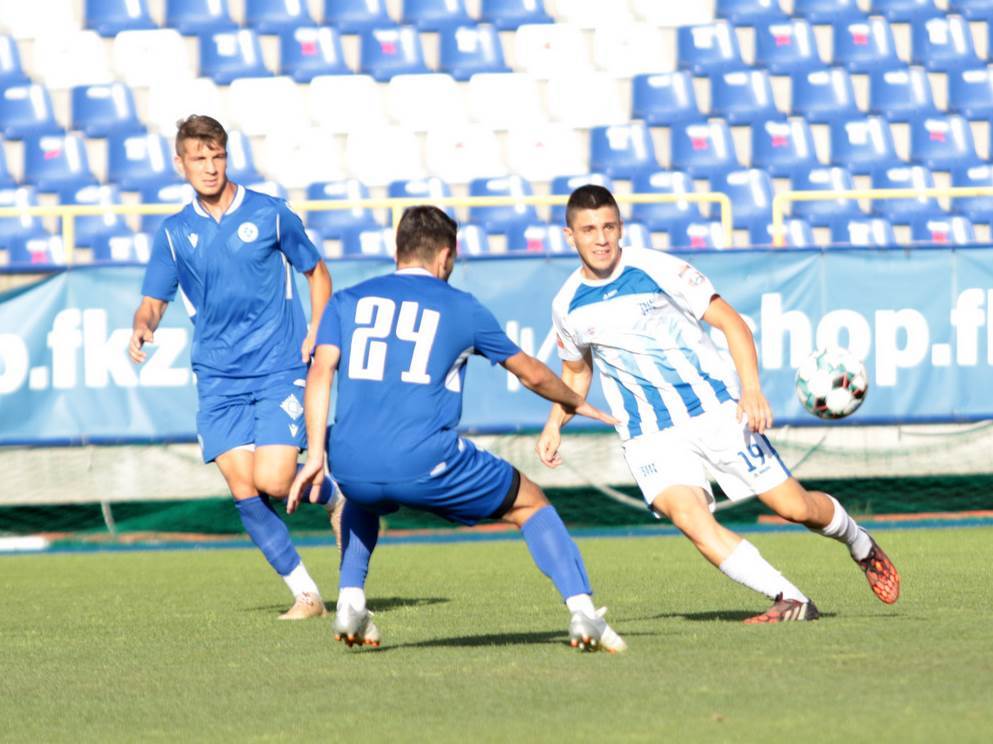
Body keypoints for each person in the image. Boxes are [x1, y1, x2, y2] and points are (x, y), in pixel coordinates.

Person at [537, 184, 900, 623]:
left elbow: (731, 323)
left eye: (609, 227)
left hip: (715, 411)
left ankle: (859, 542)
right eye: (589, 229)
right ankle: (791, 599)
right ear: (569, 236)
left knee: (794, 508)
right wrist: (555, 422)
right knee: (690, 520)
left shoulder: (655, 268)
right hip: (648, 434)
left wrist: (751, 389)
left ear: (620, 227)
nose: (601, 238)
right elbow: (577, 372)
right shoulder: (567, 304)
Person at [289, 206, 626, 652]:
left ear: (398, 251)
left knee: (362, 497)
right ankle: (583, 614)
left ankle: (351, 600)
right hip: (427, 460)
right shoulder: (461, 306)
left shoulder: (346, 300)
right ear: (446, 256)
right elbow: (529, 373)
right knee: (530, 502)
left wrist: (316, 456)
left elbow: (320, 373)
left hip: (348, 461)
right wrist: (575, 401)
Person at [128, 115, 341, 620]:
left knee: (272, 480)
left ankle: (335, 496)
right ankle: (306, 595)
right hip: (218, 378)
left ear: (229, 156)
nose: (210, 166)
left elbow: (317, 272)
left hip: (276, 366)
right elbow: (154, 300)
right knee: (243, 488)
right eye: (199, 158)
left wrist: (317, 328)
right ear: (180, 164)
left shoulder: (270, 214)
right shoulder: (176, 232)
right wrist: (142, 325)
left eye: (217, 155)